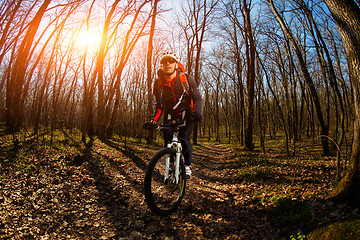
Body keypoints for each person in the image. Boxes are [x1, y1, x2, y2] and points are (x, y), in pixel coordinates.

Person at [143, 52, 202, 178]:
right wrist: (153, 121)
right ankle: (169, 164)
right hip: (169, 114)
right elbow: (159, 106)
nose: (167, 63)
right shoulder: (158, 84)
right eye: (164, 62)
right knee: (167, 140)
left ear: (176, 64)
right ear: (161, 66)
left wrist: (197, 112)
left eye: (171, 61)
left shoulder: (186, 79)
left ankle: (187, 166)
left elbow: (197, 97)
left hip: (186, 113)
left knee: (184, 139)